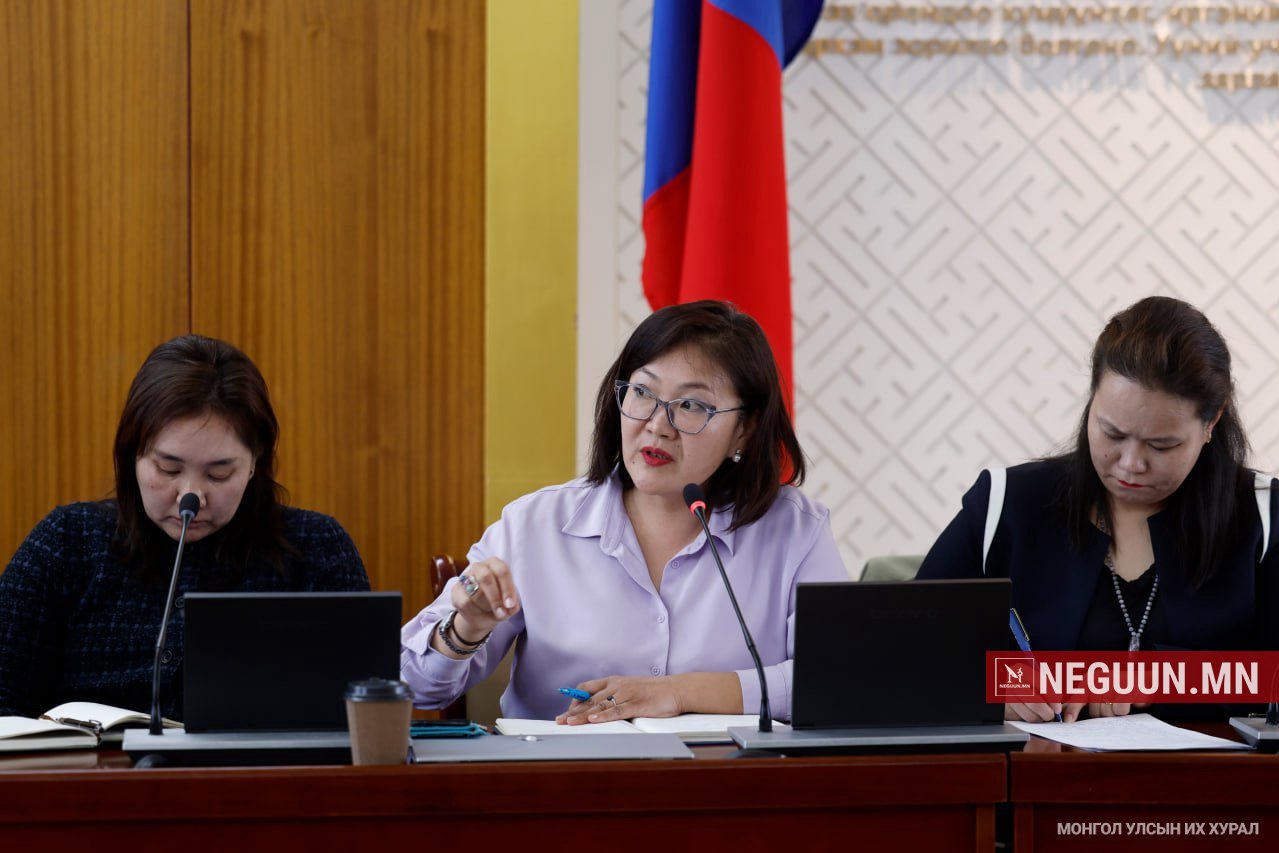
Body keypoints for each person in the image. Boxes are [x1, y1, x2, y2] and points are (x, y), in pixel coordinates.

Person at [401, 301, 847, 723]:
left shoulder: (795, 530)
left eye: (691, 405)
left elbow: (842, 678)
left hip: (727, 774)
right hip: (564, 773)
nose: (657, 425)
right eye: (642, 393)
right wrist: (467, 628)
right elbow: (410, 686)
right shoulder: (535, 525)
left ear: (744, 430)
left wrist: (680, 693)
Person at [918, 296, 1279, 722]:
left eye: (1162, 445)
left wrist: (1156, 681)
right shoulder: (1007, 502)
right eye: (1112, 433)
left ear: (1211, 422)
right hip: (1033, 763)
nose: (1130, 464)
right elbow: (906, 649)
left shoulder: (1262, 514)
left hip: (1219, 765)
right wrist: (992, 690)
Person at [0, 335, 371, 719]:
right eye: (168, 469)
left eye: (219, 473)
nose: (191, 497)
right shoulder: (67, 541)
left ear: (255, 462)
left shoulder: (316, 548)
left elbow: (367, 714)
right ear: (132, 454)